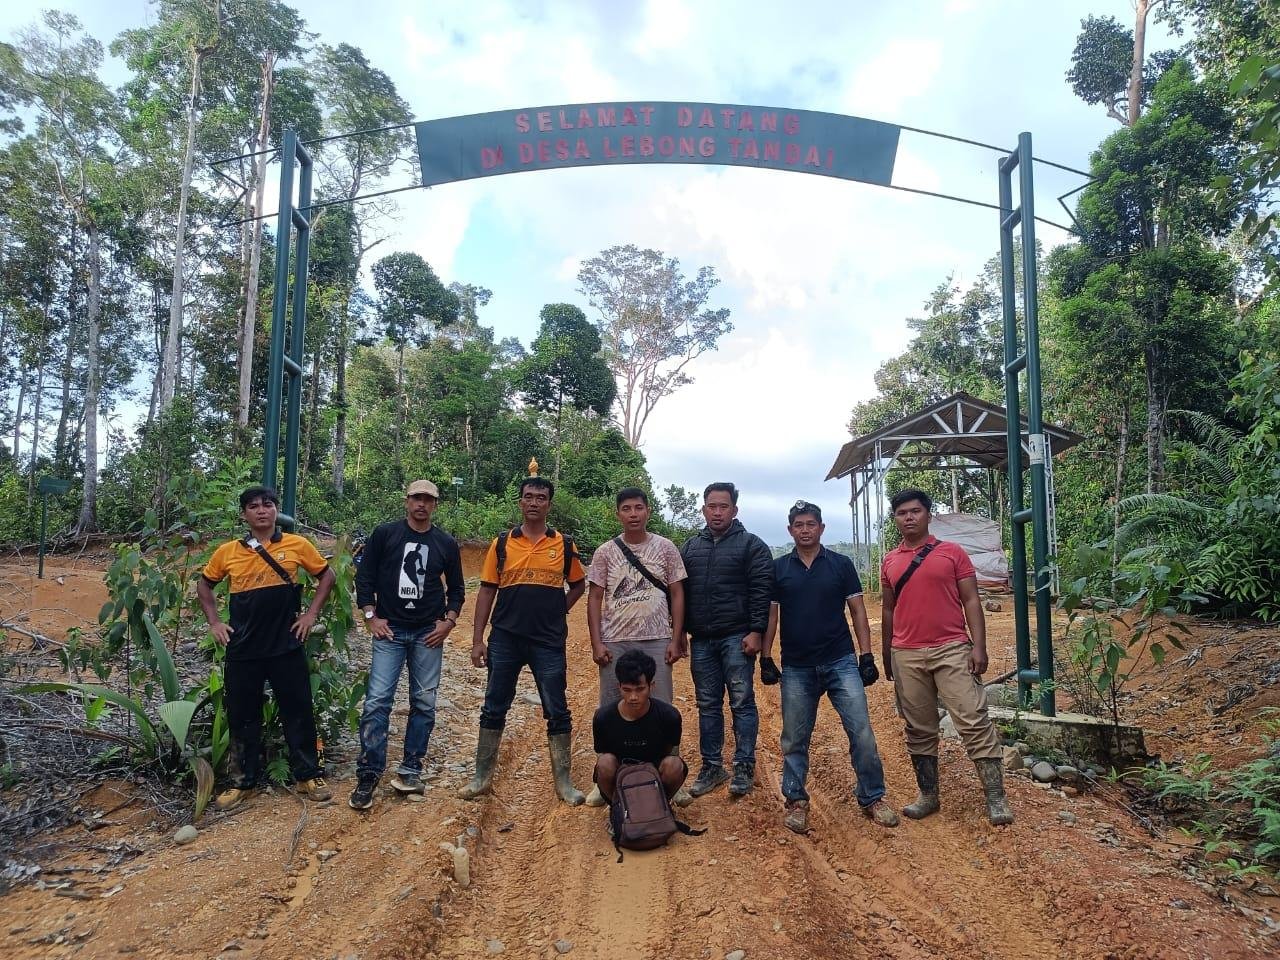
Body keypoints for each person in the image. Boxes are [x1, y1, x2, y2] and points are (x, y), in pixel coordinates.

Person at [762, 501, 899, 834]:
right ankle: (796, 802)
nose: (805, 529)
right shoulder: (778, 569)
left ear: (822, 528)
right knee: (794, 737)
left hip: (840, 661)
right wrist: (765, 657)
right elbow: (772, 616)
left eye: (811, 524)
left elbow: (858, 612)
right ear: (790, 529)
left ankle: (873, 797)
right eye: (799, 524)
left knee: (861, 731)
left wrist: (866, 656)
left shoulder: (841, 565)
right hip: (797, 666)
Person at [196, 486, 336, 811]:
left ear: (276, 510)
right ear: (244, 514)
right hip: (243, 647)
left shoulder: (297, 545)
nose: (262, 511)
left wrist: (311, 614)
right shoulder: (227, 552)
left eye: (268, 504)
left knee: (298, 709)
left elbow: (326, 576)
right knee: (243, 715)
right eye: (254, 506)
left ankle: (307, 775)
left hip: (286, 644)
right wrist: (215, 623)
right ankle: (243, 781)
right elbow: (205, 584)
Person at [880, 488, 1014, 826]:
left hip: (952, 648)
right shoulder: (890, 560)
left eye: (915, 511)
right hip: (906, 653)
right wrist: (887, 653)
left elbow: (971, 600)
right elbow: (887, 609)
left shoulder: (952, 553)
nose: (908, 517)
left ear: (928, 514)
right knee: (918, 727)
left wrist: (978, 646)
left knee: (972, 718)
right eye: (901, 513)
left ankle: (996, 797)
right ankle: (928, 795)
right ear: (895, 519)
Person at [458, 471, 589, 805]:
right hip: (505, 638)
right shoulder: (502, 544)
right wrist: (477, 639)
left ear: (549, 503)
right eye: (529, 497)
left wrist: (558, 609)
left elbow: (578, 584)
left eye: (541, 498)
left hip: (548, 641)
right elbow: (486, 591)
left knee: (556, 708)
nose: (534, 503)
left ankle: (563, 783)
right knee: (493, 706)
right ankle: (481, 777)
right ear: (520, 501)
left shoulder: (564, 544)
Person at [348, 479, 465, 810]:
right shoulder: (386, 534)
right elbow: (365, 576)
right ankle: (369, 772)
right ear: (406, 501)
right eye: (417, 498)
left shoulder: (445, 543)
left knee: (424, 703)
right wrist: (370, 616)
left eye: (428, 500)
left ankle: (411, 768)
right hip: (390, 630)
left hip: (428, 632)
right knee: (377, 702)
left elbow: (456, 588)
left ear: (435, 505)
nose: (422, 504)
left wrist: (449, 622)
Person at [584, 486, 688, 806]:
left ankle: (671, 775)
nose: (633, 514)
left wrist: (675, 637)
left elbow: (677, 594)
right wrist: (596, 642)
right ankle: (606, 776)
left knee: (660, 704)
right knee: (613, 704)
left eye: (638, 508)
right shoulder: (605, 552)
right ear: (618, 514)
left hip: (657, 637)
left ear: (648, 511)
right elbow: (595, 598)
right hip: (616, 640)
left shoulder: (666, 548)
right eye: (626, 508)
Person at [679, 481, 774, 799]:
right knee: (707, 704)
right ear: (703, 508)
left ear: (734, 510)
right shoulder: (690, 548)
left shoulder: (752, 545)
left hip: (737, 637)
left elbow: (762, 591)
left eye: (723, 506)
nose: (717, 512)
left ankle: (744, 767)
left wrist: (756, 631)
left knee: (741, 703)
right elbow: (679, 593)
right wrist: (679, 632)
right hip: (702, 640)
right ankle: (713, 766)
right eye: (711, 506)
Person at [592, 649, 687, 803]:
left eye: (640, 689)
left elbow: (671, 752)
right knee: (604, 763)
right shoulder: (603, 718)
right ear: (619, 687)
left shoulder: (669, 716)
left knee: (674, 765)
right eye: (627, 690)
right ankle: (618, 809)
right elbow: (603, 756)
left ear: (652, 686)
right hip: (620, 773)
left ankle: (660, 807)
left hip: (654, 771)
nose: (633, 697)